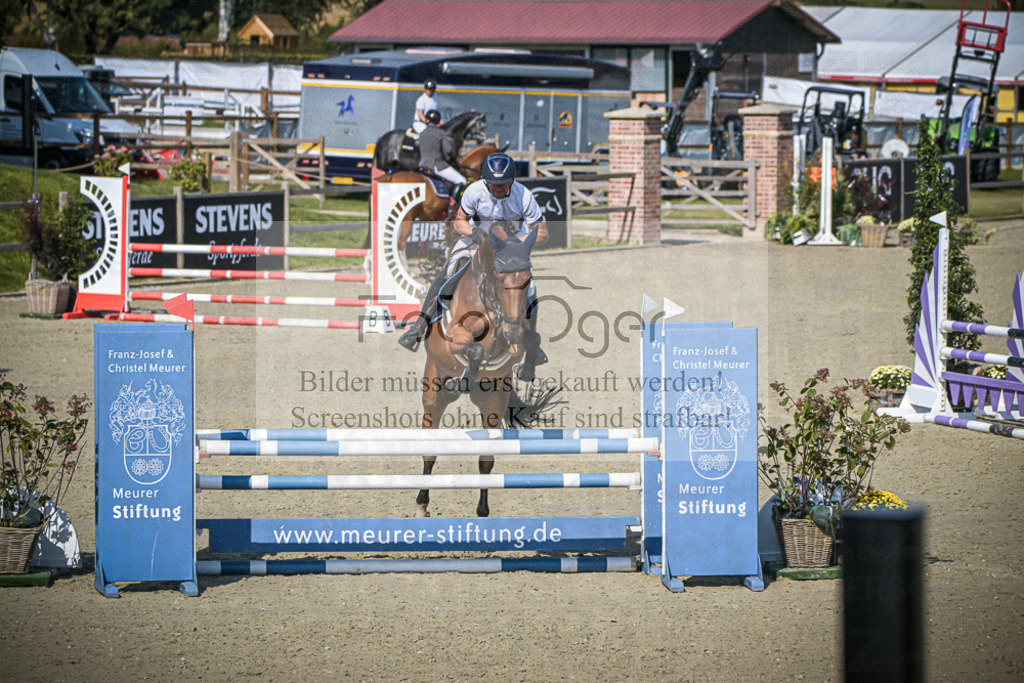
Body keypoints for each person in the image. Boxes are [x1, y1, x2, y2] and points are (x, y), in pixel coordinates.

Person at [398, 152, 549, 380]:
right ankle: (420, 324)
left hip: (510, 246)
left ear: (511, 180)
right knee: (449, 268)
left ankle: (531, 340)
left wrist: (515, 243)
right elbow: (460, 221)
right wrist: (473, 231)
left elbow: (543, 232)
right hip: (476, 239)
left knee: (530, 287)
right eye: (493, 185)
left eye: (503, 184)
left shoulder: (523, 195)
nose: (498, 189)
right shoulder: (475, 191)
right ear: (486, 181)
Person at [418, 110, 466, 191]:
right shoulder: (440, 133)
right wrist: (453, 158)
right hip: (437, 166)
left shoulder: (422, 133)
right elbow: (448, 150)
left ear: (427, 120)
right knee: (462, 181)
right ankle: (454, 203)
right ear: (438, 121)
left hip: (422, 166)